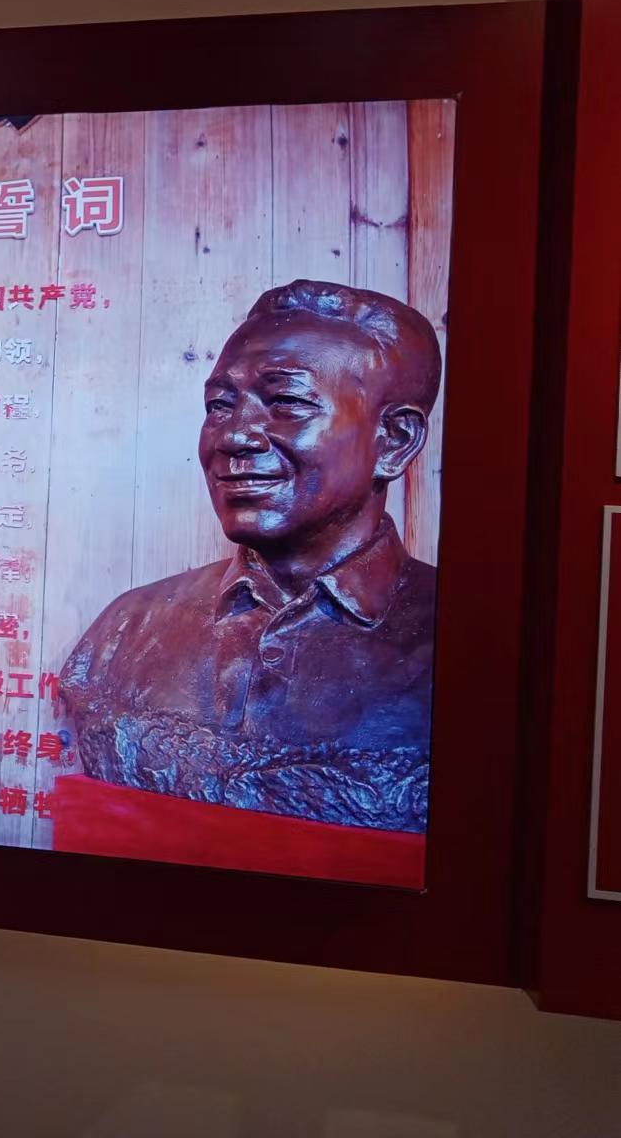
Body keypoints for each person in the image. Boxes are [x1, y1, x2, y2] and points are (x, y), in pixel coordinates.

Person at [59, 281, 440, 835]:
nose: (235, 435)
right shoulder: (125, 629)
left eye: (287, 403)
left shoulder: (469, 647)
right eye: (220, 406)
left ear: (394, 440)